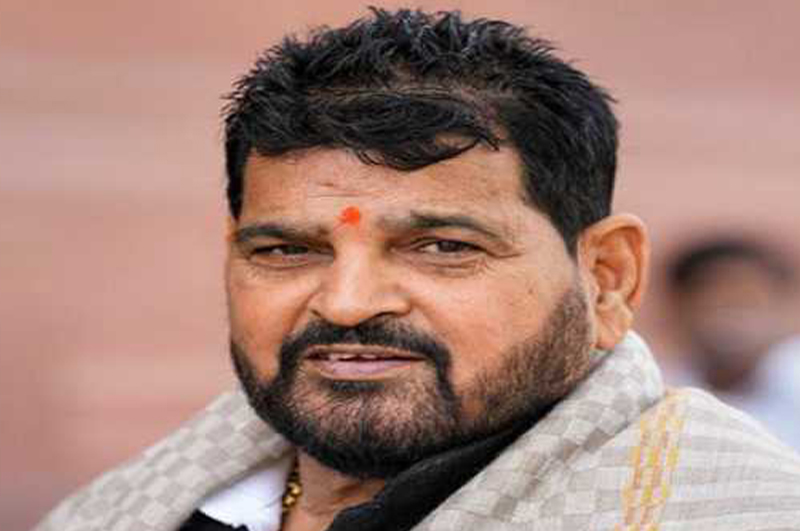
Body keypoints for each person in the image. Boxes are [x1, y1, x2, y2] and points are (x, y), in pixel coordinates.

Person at [34, 8, 800, 531]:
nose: (346, 303)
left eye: (442, 246)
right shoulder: (137, 503)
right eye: (287, 250)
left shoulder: (736, 510)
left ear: (606, 277)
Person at [665, 237, 800, 450]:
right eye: (716, 303)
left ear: (783, 307)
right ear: (678, 310)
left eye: (748, 301)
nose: (732, 320)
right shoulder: (660, 395)